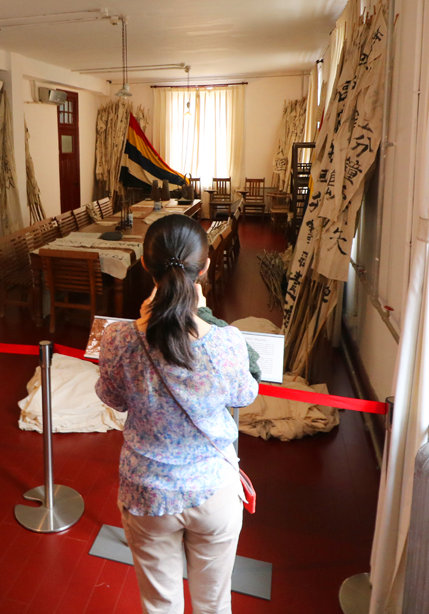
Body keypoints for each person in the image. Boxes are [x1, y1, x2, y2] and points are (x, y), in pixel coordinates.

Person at [95, 214, 259, 614]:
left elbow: (113, 399)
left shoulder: (117, 339)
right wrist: (207, 318)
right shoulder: (226, 342)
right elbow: (245, 394)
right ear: (204, 267)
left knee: (160, 604)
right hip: (213, 489)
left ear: (144, 264)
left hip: (147, 490)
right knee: (214, 603)